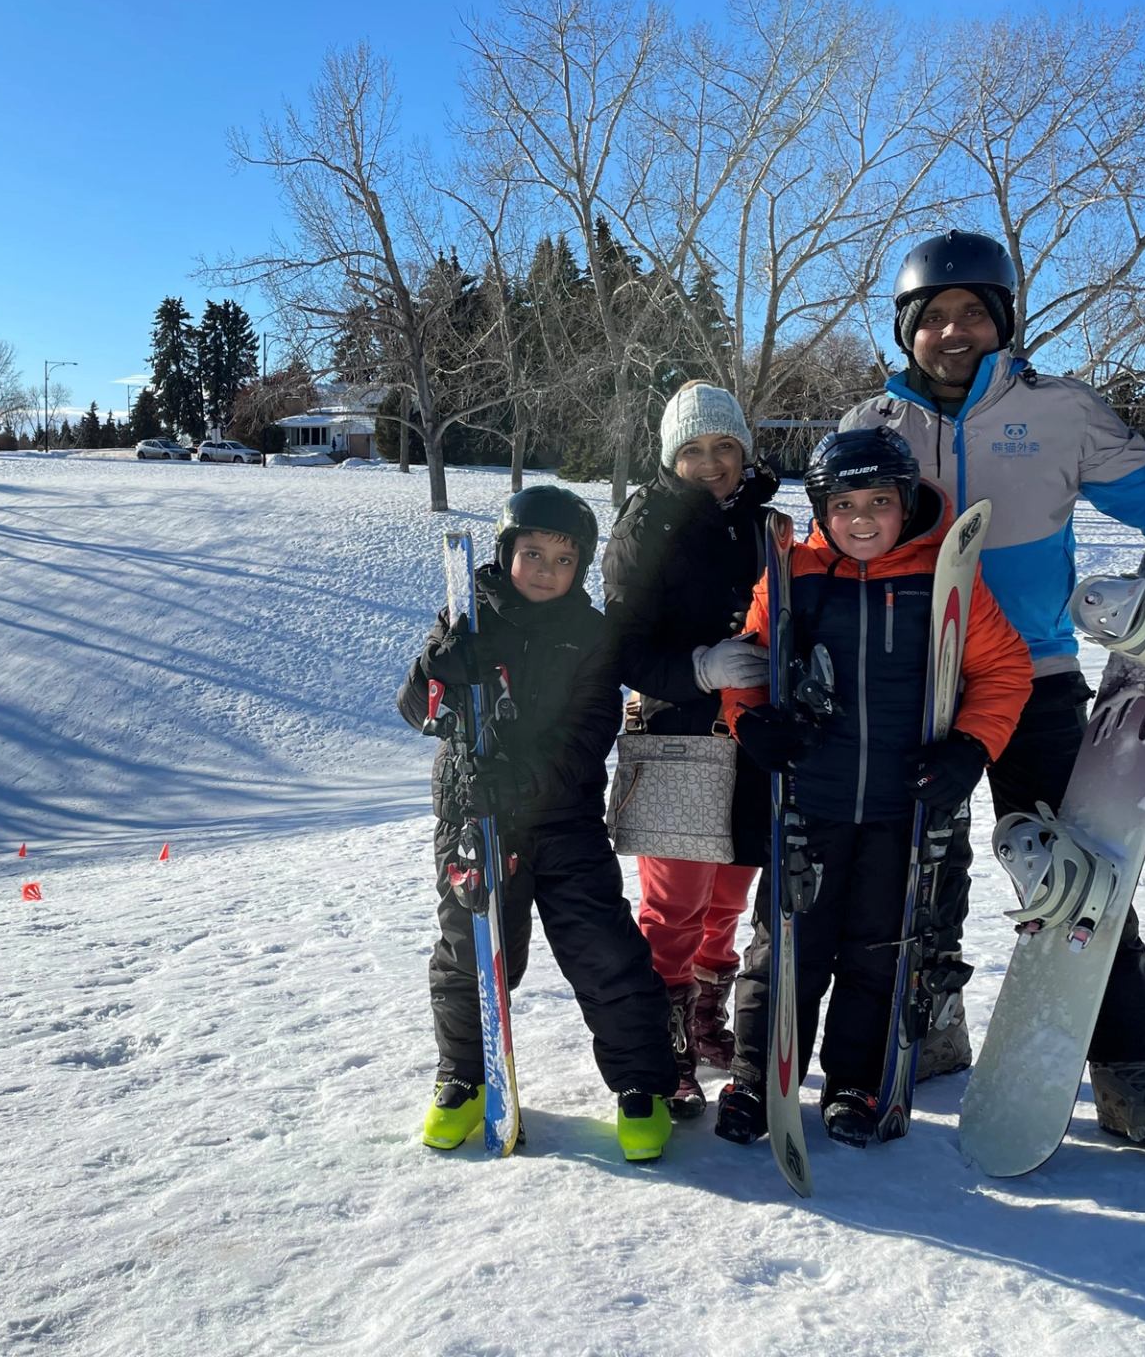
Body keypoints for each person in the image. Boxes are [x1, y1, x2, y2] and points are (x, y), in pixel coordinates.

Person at [837, 229, 1145, 1143]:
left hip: (1034, 674)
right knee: (906, 866)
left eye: (973, 314)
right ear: (907, 331)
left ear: (1003, 321)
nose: (953, 332)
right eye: (934, 317)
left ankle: (1128, 1066)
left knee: (1083, 871)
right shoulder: (871, 428)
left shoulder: (1062, 412)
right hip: (906, 681)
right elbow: (833, 547)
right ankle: (927, 1027)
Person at [713, 428, 1032, 1147]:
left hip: (901, 808)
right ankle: (757, 1078)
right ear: (822, 510)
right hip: (810, 805)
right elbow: (751, 665)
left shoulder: (946, 579)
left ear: (907, 502)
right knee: (785, 946)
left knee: (877, 950)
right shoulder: (794, 576)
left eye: (880, 502)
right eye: (845, 503)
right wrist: (752, 722)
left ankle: (856, 1082)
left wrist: (971, 750)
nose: (862, 519)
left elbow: (1004, 672)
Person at [396, 485, 676, 1162]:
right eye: (532, 554)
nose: (547, 570)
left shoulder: (590, 633)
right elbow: (416, 710)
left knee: (602, 950)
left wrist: (519, 780)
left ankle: (642, 1084)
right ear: (505, 553)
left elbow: (586, 736)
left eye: (563, 558)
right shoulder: (466, 618)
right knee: (473, 952)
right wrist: (438, 668)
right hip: (473, 821)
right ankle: (465, 1076)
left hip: (562, 819)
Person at [601, 380, 780, 1118]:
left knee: (730, 893)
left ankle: (707, 1009)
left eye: (725, 447)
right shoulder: (646, 524)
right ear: (673, 458)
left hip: (755, 736)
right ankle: (665, 1033)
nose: (712, 464)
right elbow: (623, 647)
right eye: (695, 451)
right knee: (675, 902)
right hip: (678, 735)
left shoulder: (768, 525)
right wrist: (702, 667)